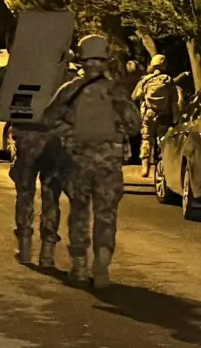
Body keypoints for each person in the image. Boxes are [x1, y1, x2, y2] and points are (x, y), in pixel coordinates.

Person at [42, 35, 140, 288]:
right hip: (108, 164)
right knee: (106, 215)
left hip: (78, 162)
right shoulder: (116, 90)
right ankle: (102, 264)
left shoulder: (70, 90)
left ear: (82, 59)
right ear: (106, 59)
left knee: (79, 212)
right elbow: (134, 125)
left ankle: (79, 266)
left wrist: (72, 132)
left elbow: (49, 119)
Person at [11, 65, 78, 267]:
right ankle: (47, 254)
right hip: (55, 145)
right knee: (51, 198)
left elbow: (14, 113)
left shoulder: (26, 76)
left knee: (25, 195)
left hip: (29, 144)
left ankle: (24, 249)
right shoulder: (70, 80)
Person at [131, 54, 179, 178]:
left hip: (148, 114)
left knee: (146, 139)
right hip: (164, 115)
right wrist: (176, 118)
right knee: (163, 140)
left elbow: (135, 96)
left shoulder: (146, 80)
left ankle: (145, 167)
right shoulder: (168, 80)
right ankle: (163, 167)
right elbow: (175, 100)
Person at [122, 60, 143, 165]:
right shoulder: (141, 80)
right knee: (137, 134)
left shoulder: (123, 81)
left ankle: (125, 157)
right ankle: (136, 157)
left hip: (125, 110)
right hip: (138, 109)